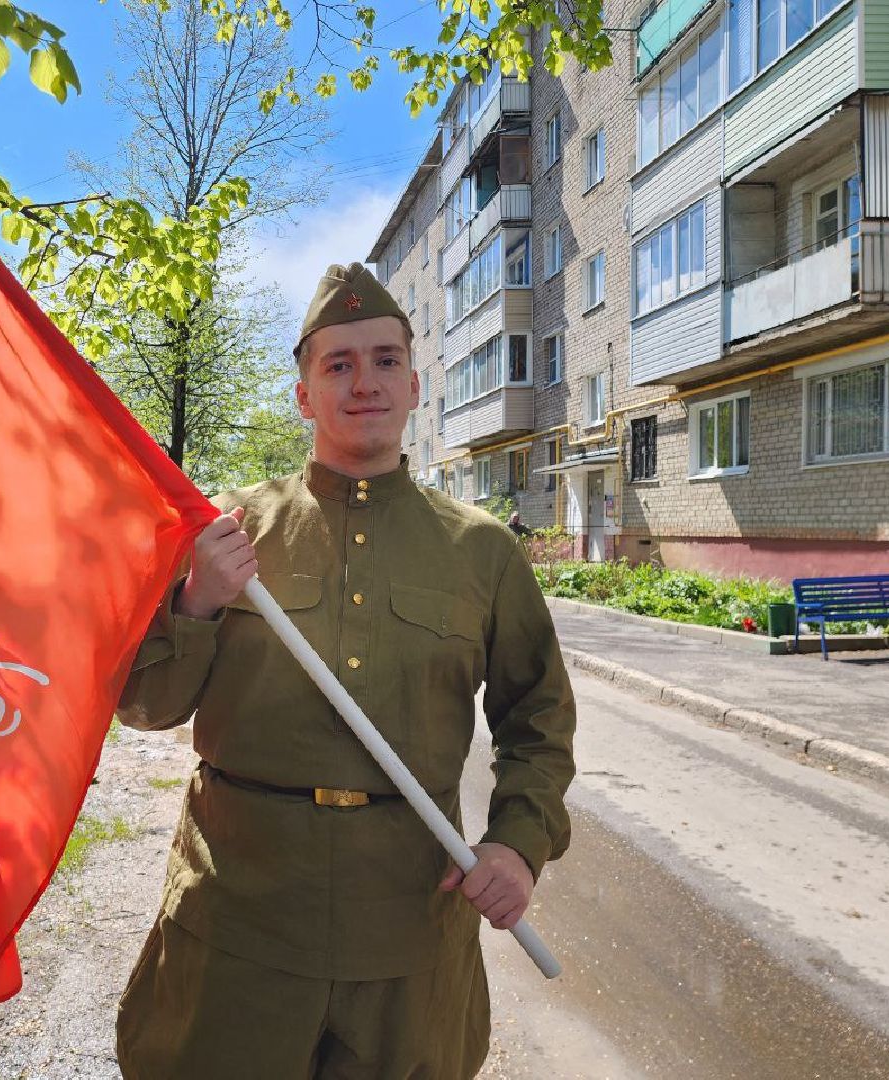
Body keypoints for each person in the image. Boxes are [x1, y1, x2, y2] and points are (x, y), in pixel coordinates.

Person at [114, 262, 576, 1079]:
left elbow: (538, 721)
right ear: (304, 395)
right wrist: (195, 602)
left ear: (414, 384)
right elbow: (146, 707)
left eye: (385, 360)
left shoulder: (483, 552)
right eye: (338, 364)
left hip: (407, 933)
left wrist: (517, 842)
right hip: (239, 928)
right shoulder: (227, 531)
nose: (365, 382)